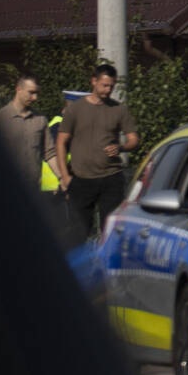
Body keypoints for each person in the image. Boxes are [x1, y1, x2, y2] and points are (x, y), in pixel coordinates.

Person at [55, 62, 138, 241]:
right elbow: (61, 142)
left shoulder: (119, 109)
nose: (108, 90)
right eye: (104, 85)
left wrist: (121, 147)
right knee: (79, 231)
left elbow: (133, 139)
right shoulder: (75, 110)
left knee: (111, 232)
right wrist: (65, 177)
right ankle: (80, 267)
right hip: (82, 180)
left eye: (112, 86)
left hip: (111, 178)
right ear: (94, 81)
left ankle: (106, 266)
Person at [0, 75, 46, 192]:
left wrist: (63, 178)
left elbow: (50, 152)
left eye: (37, 93)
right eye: (31, 93)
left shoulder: (41, 119)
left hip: (33, 190)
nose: (35, 98)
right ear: (18, 89)